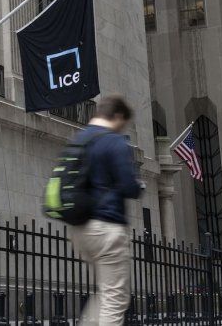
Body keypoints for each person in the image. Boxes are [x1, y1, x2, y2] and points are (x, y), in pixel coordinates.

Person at [68, 95, 144, 325]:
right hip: (107, 228)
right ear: (118, 116)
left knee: (105, 293)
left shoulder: (80, 139)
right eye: (124, 123)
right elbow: (128, 185)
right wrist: (139, 185)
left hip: (80, 229)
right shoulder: (114, 142)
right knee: (115, 298)